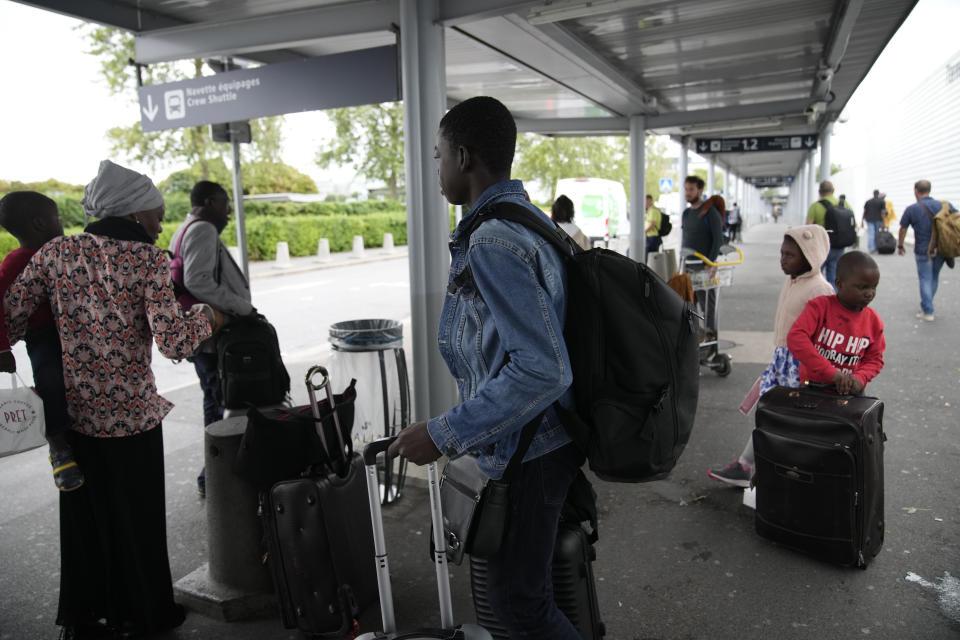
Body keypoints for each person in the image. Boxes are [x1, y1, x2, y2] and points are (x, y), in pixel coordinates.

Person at [387, 96, 583, 638]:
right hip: (545, 442)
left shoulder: (493, 240)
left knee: (520, 604)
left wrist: (443, 433)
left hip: (531, 450)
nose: (438, 168)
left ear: (464, 157)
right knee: (526, 594)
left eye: (438, 155)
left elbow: (543, 369)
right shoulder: (528, 221)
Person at [3, 160, 220, 640]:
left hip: (76, 417)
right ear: (135, 212)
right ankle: (146, 614)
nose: (161, 222)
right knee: (137, 518)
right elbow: (175, 343)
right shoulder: (146, 260)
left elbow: (12, 316)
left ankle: (85, 617)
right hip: (132, 415)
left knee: (85, 520)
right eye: (157, 214)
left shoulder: (55, 251)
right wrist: (209, 318)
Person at [708, 225, 834, 487]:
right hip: (783, 360)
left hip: (799, 366)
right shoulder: (794, 281)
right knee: (771, 415)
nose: (783, 260)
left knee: (780, 419)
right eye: (782, 253)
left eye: (790, 255)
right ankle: (750, 468)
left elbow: (823, 335)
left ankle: (766, 472)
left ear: (810, 256)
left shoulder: (819, 289)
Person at [169, 180, 255, 497]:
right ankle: (215, 476)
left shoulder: (185, 228)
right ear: (209, 202)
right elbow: (198, 280)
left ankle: (215, 474)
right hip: (212, 335)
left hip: (200, 332)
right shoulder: (203, 229)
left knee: (216, 400)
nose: (228, 209)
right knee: (220, 403)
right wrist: (242, 308)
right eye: (224, 201)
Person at [0, 192, 83, 492]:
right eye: (57, 218)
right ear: (38, 223)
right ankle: (59, 447)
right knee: (49, 383)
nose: (61, 224)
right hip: (43, 335)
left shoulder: (64, 252)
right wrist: (2, 348)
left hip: (72, 330)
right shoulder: (17, 261)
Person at [786, 251, 885, 396]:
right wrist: (832, 374)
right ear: (839, 284)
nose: (869, 293)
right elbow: (796, 338)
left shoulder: (873, 321)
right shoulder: (820, 307)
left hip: (850, 392)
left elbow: (875, 359)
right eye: (862, 287)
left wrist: (860, 378)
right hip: (813, 387)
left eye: (873, 287)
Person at [897, 179, 958, 322]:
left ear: (916, 191)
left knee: (925, 278)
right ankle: (926, 305)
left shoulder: (912, 209)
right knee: (934, 277)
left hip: (923, 250)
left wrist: (900, 245)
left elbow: (903, 229)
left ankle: (928, 311)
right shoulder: (944, 205)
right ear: (929, 190)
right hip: (942, 249)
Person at [681, 178, 725, 341]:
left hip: (704, 266)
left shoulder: (710, 212)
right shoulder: (686, 214)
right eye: (686, 189)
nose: (687, 193)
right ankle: (694, 339)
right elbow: (685, 239)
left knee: (707, 304)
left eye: (691, 189)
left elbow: (718, 240)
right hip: (687, 266)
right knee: (689, 304)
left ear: (700, 191)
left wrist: (710, 263)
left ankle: (710, 338)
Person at [806, 180, 845, 290]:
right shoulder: (843, 204)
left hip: (820, 246)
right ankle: (833, 300)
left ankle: (818, 298)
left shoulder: (815, 206)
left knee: (814, 276)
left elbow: (808, 228)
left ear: (819, 192)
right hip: (839, 245)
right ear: (833, 191)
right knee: (834, 277)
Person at [862, 189, 886, 254]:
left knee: (871, 233)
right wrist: (884, 222)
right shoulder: (882, 201)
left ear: (873, 194)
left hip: (869, 219)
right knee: (877, 234)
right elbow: (883, 212)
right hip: (878, 219)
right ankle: (876, 247)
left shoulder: (868, 201)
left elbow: (864, 211)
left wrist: (862, 220)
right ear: (878, 194)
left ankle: (871, 248)